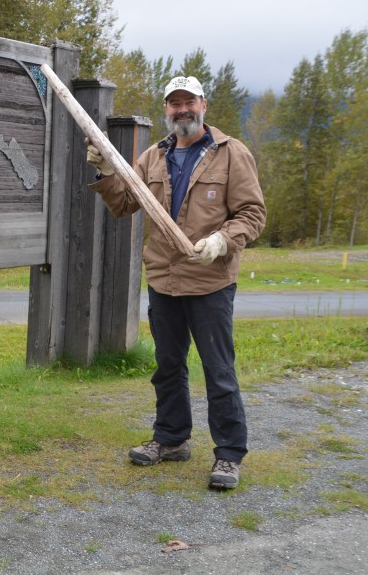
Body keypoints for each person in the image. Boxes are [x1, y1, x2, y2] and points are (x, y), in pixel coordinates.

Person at [85, 75, 266, 490]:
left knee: (218, 370)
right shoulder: (153, 156)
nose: (182, 109)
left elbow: (253, 214)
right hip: (164, 279)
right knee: (167, 366)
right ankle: (171, 440)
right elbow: (125, 203)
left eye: (189, 102)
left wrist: (223, 240)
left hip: (210, 282)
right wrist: (106, 169)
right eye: (174, 103)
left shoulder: (231, 153)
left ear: (203, 104)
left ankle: (229, 455)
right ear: (166, 109)